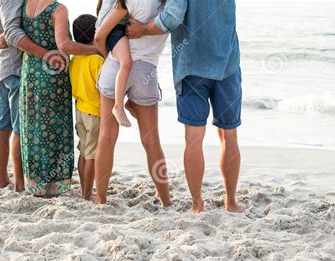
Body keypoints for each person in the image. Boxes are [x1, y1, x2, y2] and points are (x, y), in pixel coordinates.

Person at [127, 0, 246, 213]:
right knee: (229, 136)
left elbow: (172, 17)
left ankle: (197, 204)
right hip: (227, 65)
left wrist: (143, 30)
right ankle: (231, 202)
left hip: (191, 68)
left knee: (193, 139)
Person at [95, 0, 172, 208]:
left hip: (116, 66)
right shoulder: (172, 5)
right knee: (152, 142)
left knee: (106, 137)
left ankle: (101, 200)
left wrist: (109, 57)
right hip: (146, 70)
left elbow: (100, 36)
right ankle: (166, 201)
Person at [20, 0, 99, 197]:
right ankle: (53, 186)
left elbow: (12, 36)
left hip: (30, 75)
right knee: (54, 131)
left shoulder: (24, 6)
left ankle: (35, 184)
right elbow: (64, 44)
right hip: (53, 78)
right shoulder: (58, 9)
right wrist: (96, 50)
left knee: (33, 130)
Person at [0, 0, 65, 192]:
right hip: (14, 69)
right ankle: (20, 184)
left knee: (3, 127)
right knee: (20, 130)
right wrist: (46, 55)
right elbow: (11, 34)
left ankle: (3, 181)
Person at [69, 15, 105, 200]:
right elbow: (103, 89)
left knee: (83, 151)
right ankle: (86, 194)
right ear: (95, 33)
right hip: (95, 113)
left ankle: (85, 189)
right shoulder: (97, 61)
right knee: (92, 154)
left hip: (80, 110)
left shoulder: (75, 59)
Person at [95, 0, 132, 128]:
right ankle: (118, 106)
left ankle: (130, 103)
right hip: (113, 30)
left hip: (116, 27)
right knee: (126, 63)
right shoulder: (118, 7)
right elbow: (98, 36)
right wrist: (107, 57)